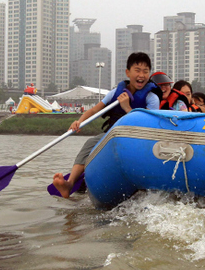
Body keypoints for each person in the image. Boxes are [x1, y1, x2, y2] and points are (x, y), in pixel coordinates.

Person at [52, 52, 160, 198]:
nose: (141, 75)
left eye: (145, 71)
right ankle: (69, 183)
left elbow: (149, 124)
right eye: (137, 70)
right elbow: (94, 110)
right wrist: (79, 121)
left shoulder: (152, 98)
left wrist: (127, 107)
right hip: (112, 136)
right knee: (90, 142)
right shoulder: (115, 92)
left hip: (138, 139)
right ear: (128, 72)